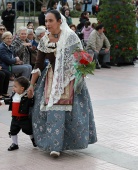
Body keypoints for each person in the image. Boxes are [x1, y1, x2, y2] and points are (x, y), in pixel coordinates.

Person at [27, 10, 97, 157]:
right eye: (46, 21)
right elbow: (38, 65)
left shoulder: (71, 37)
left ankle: (66, 143)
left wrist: (83, 70)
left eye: (50, 21)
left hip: (70, 79)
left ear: (59, 21)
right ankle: (54, 146)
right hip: (51, 78)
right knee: (53, 110)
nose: (47, 24)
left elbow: (81, 57)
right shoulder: (44, 40)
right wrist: (32, 85)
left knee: (72, 113)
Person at [0, 76, 37, 151]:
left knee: (28, 130)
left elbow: (31, 103)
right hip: (15, 118)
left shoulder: (26, 96)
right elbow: (10, 100)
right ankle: (15, 144)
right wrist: (2, 102)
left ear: (22, 88)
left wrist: (30, 97)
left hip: (24, 118)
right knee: (13, 131)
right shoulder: (14, 95)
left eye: (15, 86)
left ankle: (34, 140)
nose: (13, 88)